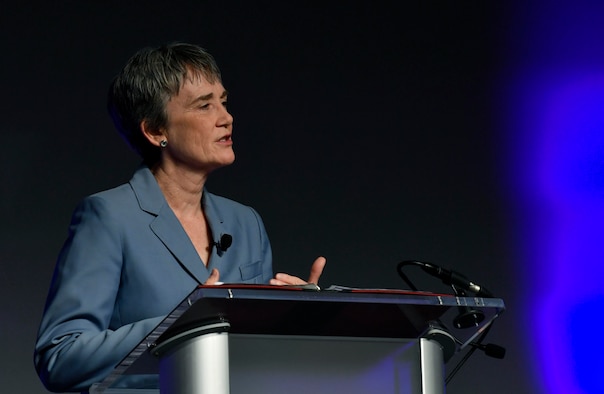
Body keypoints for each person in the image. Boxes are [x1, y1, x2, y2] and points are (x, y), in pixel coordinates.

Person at [34, 42, 326, 393]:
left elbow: (249, 358)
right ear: (156, 131)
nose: (226, 117)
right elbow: (60, 356)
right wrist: (184, 324)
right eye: (204, 105)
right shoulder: (108, 216)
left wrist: (293, 319)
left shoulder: (245, 222)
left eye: (223, 101)